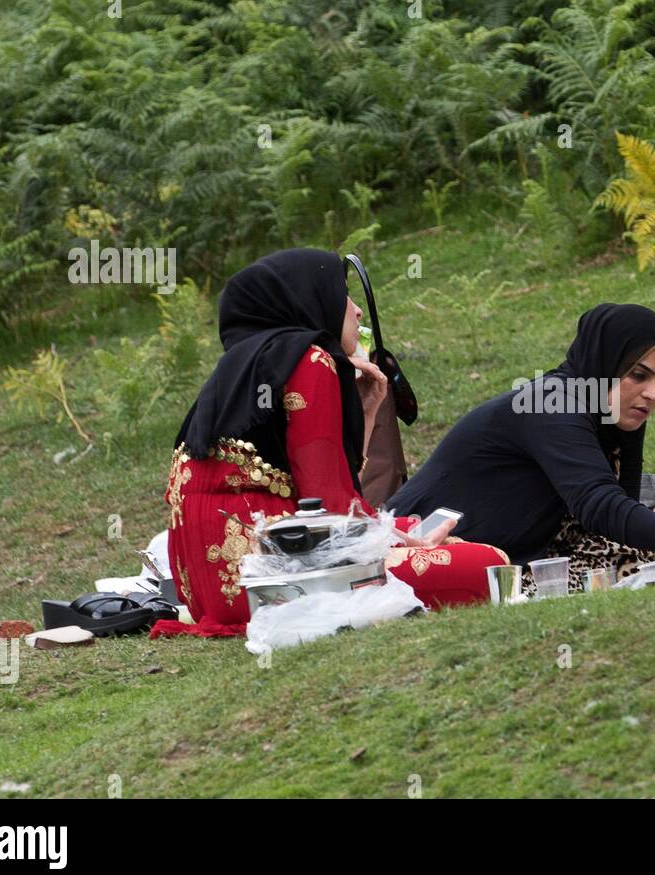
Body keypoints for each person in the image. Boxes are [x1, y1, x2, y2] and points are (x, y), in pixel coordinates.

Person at [155, 249, 508, 638]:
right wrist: (398, 543)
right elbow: (332, 510)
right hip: (275, 585)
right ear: (310, 300)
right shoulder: (312, 360)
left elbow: (326, 492)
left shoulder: (241, 366)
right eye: (344, 296)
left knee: (419, 530)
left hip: (209, 590)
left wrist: (367, 413)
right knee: (487, 563)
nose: (357, 311)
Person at [387, 303, 655, 590]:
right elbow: (599, 505)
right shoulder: (552, 403)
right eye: (639, 374)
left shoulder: (615, 409)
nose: (653, 393)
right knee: (646, 569)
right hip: (420, 548)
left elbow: (612, 520)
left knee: (649, 563)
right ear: (607, 362)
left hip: (512, 553)